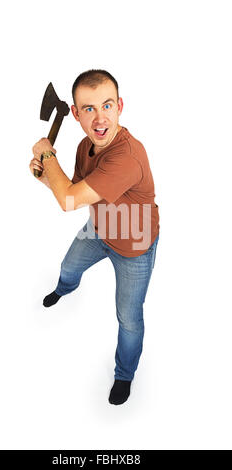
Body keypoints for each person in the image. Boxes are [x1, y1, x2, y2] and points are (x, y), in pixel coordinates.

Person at [29, 69, 160, 405]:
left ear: (120, 106)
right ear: (74, 113)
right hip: (100, 227)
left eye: (107, 105)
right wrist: (45, 173)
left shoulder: (126, 157)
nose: (100, 118)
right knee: (68, 266)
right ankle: (63, 289)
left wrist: (46, 153)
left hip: (134, 245)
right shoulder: (86, 145)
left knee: (128, 317)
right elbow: (70, 190)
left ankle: (124, 375)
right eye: (88, 109)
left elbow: (68, 200)